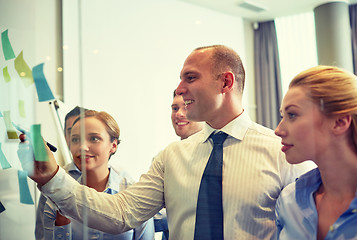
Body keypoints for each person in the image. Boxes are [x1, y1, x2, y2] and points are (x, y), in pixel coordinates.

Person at [24, 45, 313, 239]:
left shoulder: (283, 153)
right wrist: (52, 177)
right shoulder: (171, 157)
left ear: (225, 83)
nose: (179, 88)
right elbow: (120, 212)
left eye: (190, 77)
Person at [43, 110, 155, 240]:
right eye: (75, 139)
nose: (82, 147)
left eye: (94, 138)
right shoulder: (58, 197)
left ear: (113, 146)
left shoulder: (134, 194)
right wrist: (62, 223)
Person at [274, 65, 357, 240]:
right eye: (283, 116)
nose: (278, 130)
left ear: (340, 122)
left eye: (292, 115)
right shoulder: (289, 201)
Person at [154, 90, 205, 239]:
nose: (179, 114)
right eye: (175, 108)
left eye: (186, 106)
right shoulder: (164, 158)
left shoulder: (216, 154)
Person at [35, 106, 86, 240]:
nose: (79, 138)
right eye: (72, 131)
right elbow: (41, 234)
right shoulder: (53, 180)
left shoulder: (121, 181)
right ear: (66, 137)